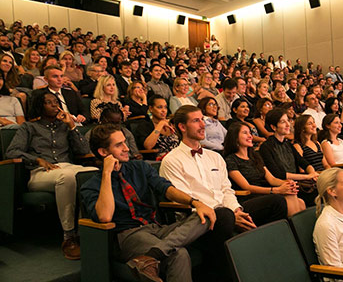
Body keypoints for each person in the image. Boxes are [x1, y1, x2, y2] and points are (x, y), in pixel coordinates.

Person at [160, 105, 287, 280]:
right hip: (199, 221)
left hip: (227, 212)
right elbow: (186, 200)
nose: (202, 125)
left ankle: (271, 265)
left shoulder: (215, 157)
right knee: (224, 216)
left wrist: (237, 211)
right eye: (196, 121)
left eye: (202, 120)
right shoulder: (172, 160)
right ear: (182, 127)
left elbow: (226, 190)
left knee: (277, 201)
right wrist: (228, 215)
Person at [81, 124, 215, 282]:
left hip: (156, 228)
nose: (127, 148)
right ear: (103, 152)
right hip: (129, 235)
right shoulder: (91, 185)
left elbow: (166, 189)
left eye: (125, 142)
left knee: (206, 215)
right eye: (119, 145)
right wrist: (107, 173)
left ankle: (151, 256)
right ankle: (155, 254)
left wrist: (195, 202)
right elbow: (104, 216)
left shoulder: (139, 167)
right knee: (178, 254)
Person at [5, 91, 97, 260]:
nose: (55, 105)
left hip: (67, 167)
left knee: (94, 173)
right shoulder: (29, 127)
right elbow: (11, 152)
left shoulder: (64, 126)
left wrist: (71, 126)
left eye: (56, 102)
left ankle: (89, 230)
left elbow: (84, 151)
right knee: (67, 177)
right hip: (40, 174)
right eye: (49, 102)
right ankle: (69, 236)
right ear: (40, 106)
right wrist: (37, 160)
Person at [225, 122, 305, 216]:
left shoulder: (255, 157)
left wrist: (287, 183)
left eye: (250, 133)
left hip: (264, 194)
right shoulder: (231, 160)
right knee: (288, 197)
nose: (250, 136)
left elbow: (272, 179)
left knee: (300, 202)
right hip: (248, 197)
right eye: (245, 133)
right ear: (235, 138)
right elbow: (246, 187)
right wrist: (276, 190)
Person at [259, 108, 319, 206]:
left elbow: (303, 162)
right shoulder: (266, 147)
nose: (288, 125)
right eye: (283, 122)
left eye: (288, 120)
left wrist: (312, 173)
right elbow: (278, 174)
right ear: (273, 127)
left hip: (297, 183)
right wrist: (307, 176)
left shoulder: (288, 144)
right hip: (284, 185)